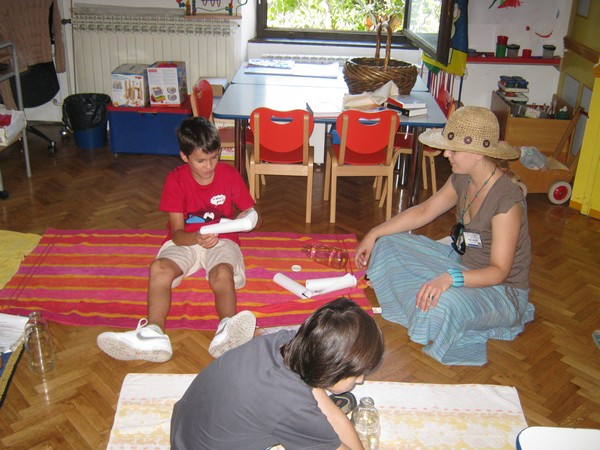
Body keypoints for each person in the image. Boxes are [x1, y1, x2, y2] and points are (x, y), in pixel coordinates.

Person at [355, 106, 534, 366]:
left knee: (442, 304)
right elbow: (425, 211)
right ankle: (420, 295)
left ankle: (419, 298)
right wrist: (374, 233)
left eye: (453, 149)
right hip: (463, 265)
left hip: (502, 291)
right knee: (388, 243)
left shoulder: (507, 201)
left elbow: (499, 272)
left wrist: (450, 279)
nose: (446, 154)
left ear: (478, 154)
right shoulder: (463, 177)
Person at [97, 117, 260, 362]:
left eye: (214, 157)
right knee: (159, 269)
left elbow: (253, 213)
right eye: (201, 160)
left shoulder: (229, 174)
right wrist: (196, 237)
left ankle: (227, 330)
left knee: (222, 273)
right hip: (187, 239)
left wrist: (250, 218)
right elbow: (177, 234)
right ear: (184, 156)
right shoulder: (175, 180)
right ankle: (153, 332)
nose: (209, 166)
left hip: (223, 236)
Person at [170, 297, 384, 449]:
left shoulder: (287, 342)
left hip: (185, 433)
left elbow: (331, 415)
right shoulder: (294, 406)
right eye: (357, 373)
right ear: (332, 369)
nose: (361, 380)